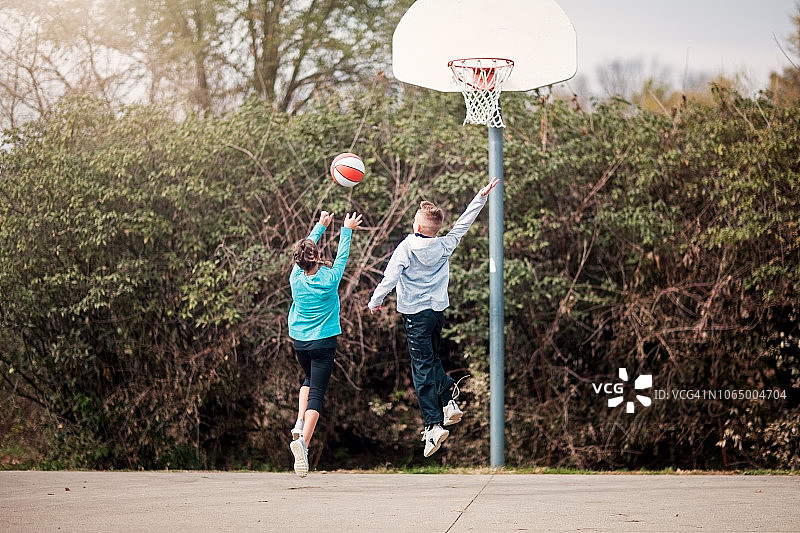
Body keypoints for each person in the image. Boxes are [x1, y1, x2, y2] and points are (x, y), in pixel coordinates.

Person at [368, 177, 499, 457]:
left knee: (422, 369)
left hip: (415, 316)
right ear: (436, 228)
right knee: (431, 361)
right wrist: (480, 197)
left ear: (417, 226)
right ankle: (448, 404)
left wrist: (375, 300)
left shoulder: (405, 247)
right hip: (437, 313)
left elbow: (390, 277)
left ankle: (434, 424)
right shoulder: (445, 245)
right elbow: (464, 223)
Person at [288, 210, 363, 477]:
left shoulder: (295, 277)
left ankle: (298, 420)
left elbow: (303, 250)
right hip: (323, 342)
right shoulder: (330, 279)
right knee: (317, 393)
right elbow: (342, 256)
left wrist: (320, 226)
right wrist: (347, 229)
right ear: (318, 257)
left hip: (299, 341)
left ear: (297, 261)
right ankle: (303, 443)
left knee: (308, 381)